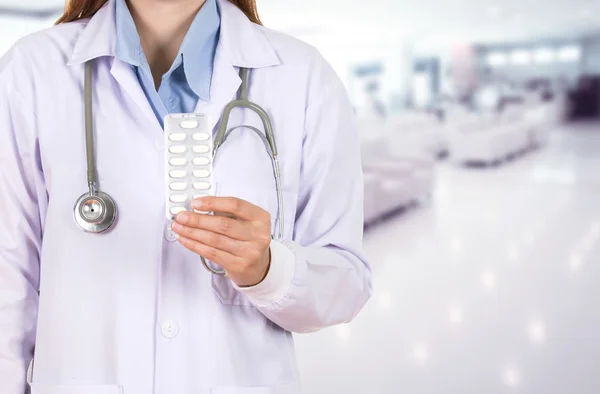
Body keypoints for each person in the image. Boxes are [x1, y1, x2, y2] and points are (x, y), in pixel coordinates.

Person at [0, 0, 372, 393]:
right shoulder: (31, 72)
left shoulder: (303, 77)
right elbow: (7, 281)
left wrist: (268, 269)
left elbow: (345, 283)